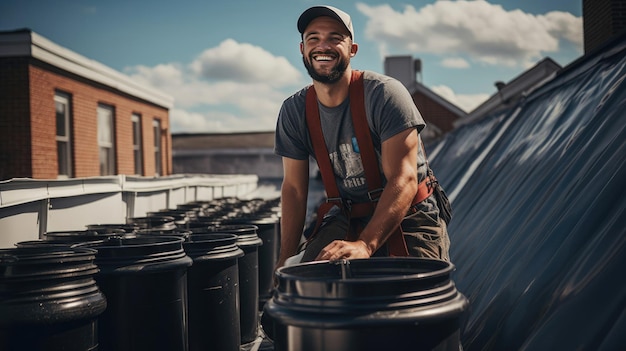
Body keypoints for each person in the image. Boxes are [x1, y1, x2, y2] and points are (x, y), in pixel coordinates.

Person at [274, 5, 451, 270]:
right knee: (303, 284)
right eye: (314, 38)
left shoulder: (385, 94)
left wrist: (365, 245)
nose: (323, 46)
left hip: (410, 216)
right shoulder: (294, 111)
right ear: (302, 50)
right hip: (349, 215)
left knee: (416, 299)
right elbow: (295, 190)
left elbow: (404, 179)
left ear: (352, 49)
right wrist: (284, 261)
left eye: (335, 38)